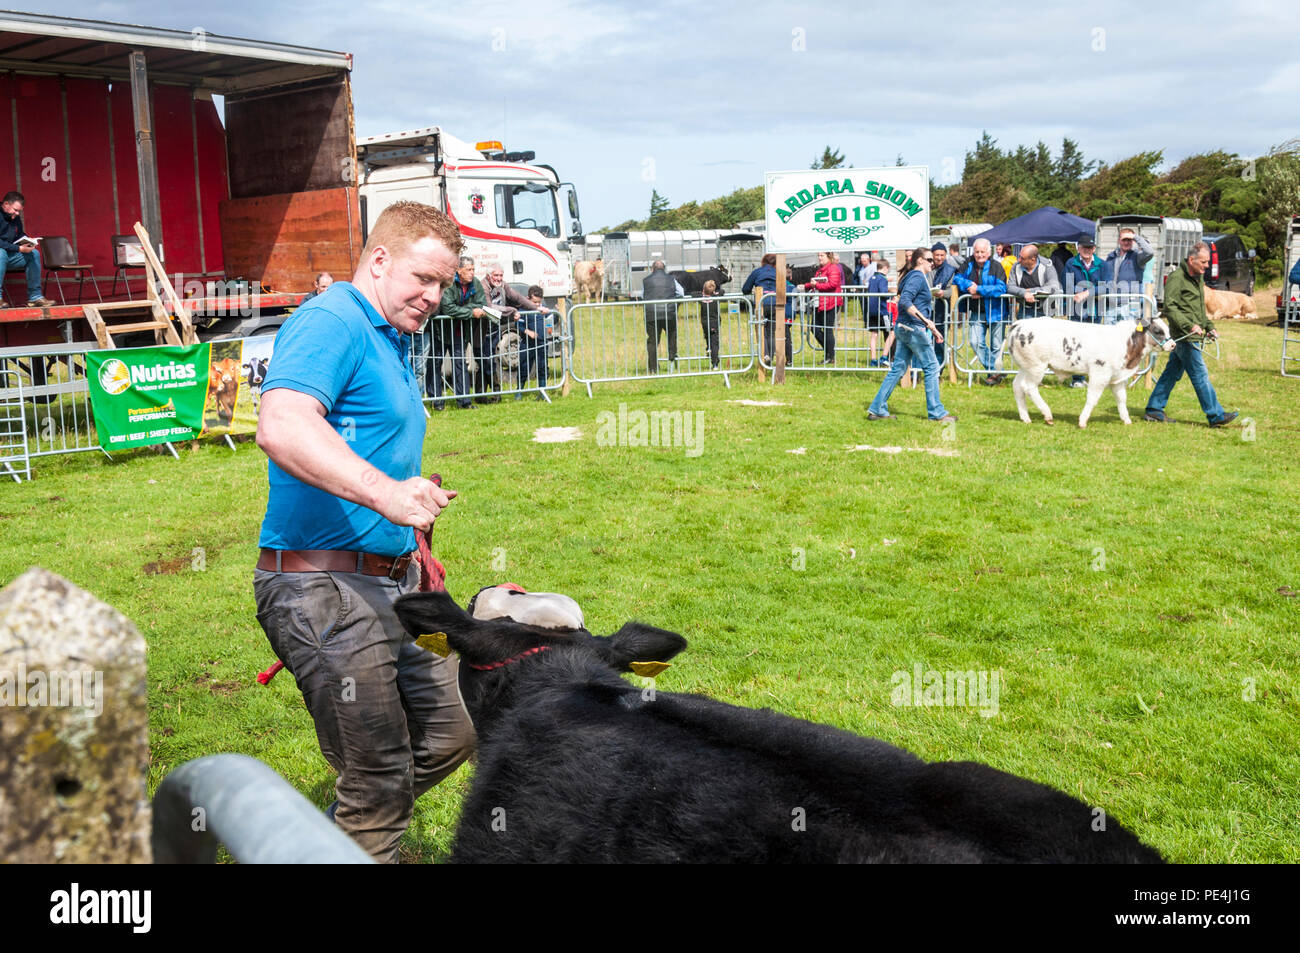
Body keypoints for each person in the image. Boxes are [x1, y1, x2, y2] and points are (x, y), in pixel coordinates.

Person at [253, 200, 474, 863]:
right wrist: (386, 493)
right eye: (424, 279)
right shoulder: (332, 320)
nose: (435, 297)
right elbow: (283, 424)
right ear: (379, 260)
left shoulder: (388, 336)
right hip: (322, 588)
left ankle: (330, 841)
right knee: (377, 779)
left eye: (444, 284)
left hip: (393, 584)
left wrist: (412, 505)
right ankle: (358, 831)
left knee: (452, 730)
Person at [1143, 243, 1237, 428]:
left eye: (1208, 262)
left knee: (1171, 374)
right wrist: (1189, 326)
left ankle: (1154, 409)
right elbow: (1170, 307)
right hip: (1184, 337)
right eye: (1204, 262)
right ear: (1191, 260)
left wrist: (1208, 326)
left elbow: (1198, 308)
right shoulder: (1176, 278)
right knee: (1200, 376)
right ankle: (1215, 415)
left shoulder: (1198, 277)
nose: (1207, 265)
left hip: (1191, 335)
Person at [866, 246, 954, 423]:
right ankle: (936, 412)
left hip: (905, 328)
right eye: (929, 260)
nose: (933, 263)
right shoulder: (917, 277)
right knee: (932, 367)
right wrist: (926, 321)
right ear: (920, 260)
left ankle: (877, 408)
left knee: (897, 369)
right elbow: (905, 301)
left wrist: (933, 328)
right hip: (914, 329)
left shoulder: (910, 276)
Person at [952, 238, 1009, 385]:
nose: (979, 255)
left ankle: (994, 376)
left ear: (989, 252)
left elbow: (1002, 288)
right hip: (976, 311)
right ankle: (995, 370)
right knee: (975, 342)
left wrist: (980, 290)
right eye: (977, 251)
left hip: (996, 311)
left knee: (996, 345)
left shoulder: (997, 266)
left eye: (982, 252)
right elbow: (957, 278)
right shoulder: (968, 263)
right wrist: (969, 285)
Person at [431, 256, 486, 409]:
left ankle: (464, 401)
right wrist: (470, 312)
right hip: (440, 330)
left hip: (460, 332)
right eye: (469, 269)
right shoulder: (449, 283)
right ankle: (437, 402)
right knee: (435, 364)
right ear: (459, 270)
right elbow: (448, 307)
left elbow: (482, 303)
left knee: (461, 364)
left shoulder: (475, 283)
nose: (472, 273)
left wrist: (465, 311)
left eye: (473, 269)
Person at [481, 266, 537, 399]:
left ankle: (493, 394)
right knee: (485, 361)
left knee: (490, 361)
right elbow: (489, 307)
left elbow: (517, 297)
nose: (499, 278)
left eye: (501, 275)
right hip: (481, 330)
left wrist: (536, 308)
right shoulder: (483, 286)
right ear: (489, 275)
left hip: (494, 328)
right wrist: (512, 311)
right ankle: (487, 394)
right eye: (496, 275)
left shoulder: (503, 285)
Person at [1, 191, 54, 307]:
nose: (17, 213)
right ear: (5, 204)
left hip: (9, 255)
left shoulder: (14, 217)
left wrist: (29, 241)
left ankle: (35, 297)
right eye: (15, 210)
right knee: (1, 253)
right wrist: (18, 248)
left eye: (19, 211)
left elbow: (18, 234)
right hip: (1, 254)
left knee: (34, 253)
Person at [741, 253, 795, 365]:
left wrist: (754, 290)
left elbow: (745, 289)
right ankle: (769, 357)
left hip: (761, 304)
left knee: (762, 332)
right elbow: (785, 288)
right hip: (776, 304)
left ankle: (765, 355)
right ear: (775, 263)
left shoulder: (757, 272)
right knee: (771, 332)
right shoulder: (778, 273)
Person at [1104, 227, 1154, 322]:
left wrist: (1135, 236)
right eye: (1124, 240)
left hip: (1130, 305)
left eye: (1129, 240)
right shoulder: (1111, 257)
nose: (1126, 242)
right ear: (1119, 240)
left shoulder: (1138, 257)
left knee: (1128, 336)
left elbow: (1150, 252)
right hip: (1112, 304)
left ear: (1133, 241)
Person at [804, 250, 843, 364]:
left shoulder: (833, 268)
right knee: (814, 329)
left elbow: (832, 284)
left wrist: (817, 285)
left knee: (827, 330)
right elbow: (815, 284)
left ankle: (830, 356)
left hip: (830, 303)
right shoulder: (819, 271)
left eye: (822, 255)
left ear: (828, 256)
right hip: (819, 303)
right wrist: (805, 286)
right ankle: (829, 353)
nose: (819, 258)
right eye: (818, 256)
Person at [642, 259, 679, 373]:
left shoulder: (646, 280)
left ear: (652, 269)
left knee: (653, 341)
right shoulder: (672, 279)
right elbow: (681, 293)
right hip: (669, 313)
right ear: (664, 268)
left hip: (652, 314)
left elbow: (643, 295)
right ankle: (672, 363)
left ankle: (653, 368)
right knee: (671, 338)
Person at [515, 284, 553, 397]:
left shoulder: (542, 310)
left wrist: (550, 325)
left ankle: (542, 392)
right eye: (534, 302)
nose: (537, 305)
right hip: (527, 343)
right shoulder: (523, 310)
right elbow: (518, 325)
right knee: (524, 366)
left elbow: (551, 318)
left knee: (542, 366)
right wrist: (528, 332)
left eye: (539, 303)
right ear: (528, 299)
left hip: (541, 342)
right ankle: (519, 391)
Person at [1008, 244, 1062, 319]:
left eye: (1022, 258)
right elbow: (1010, 287)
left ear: (1033, 259)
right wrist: (1024, 293)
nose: (1019, 260)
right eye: (1019, 256)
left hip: (1045, 310)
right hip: (1025, 310)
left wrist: (1030, 291)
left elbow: (1053, 287)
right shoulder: (1016, 266)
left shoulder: (1047, 266)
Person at [928, 243, 959, 366]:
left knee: (939, 342)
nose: (939, 258)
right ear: (932, 255)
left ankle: (938, 370)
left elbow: (954, 290)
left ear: (946, 255)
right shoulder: (927, 268)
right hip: (926, 311)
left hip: (942, 312)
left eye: (942, 255)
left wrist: (943, 293)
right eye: (937, 255)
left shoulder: (951, 270)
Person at [865, 260, 890, 366]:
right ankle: (884, 356)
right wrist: (891, 294)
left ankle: (873, 359)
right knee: (891, 332)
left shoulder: (871, 278)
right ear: (885, 268)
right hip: (882, 310)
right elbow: (883, 294)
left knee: (874, 335)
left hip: (872, 310)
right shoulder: (883, 279)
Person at [699, 278, 722, 369]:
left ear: (703, 290)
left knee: (707, 336)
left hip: (705, 323)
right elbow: (722, 291)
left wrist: (702, 293)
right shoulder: (716, 297)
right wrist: (715, 292)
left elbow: (692, 294)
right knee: (715, 343)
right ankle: (715, 363)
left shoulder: (701, 298)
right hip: (714, 323)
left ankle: (708, 348)